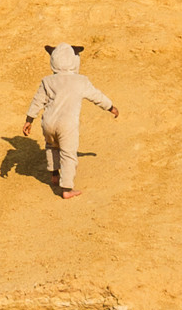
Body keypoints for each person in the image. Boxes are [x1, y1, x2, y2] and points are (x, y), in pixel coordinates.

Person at [23, 43, 119, 199]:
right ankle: (67, 189)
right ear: (75, 60)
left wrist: (29, 120)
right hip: (67, 124)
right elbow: (96, 96)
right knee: (68, 154)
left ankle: (54, 174)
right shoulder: (81, 81)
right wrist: (110, 107)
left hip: (48, 122)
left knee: (51, 146)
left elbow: (37, 101)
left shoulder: (48, 81)